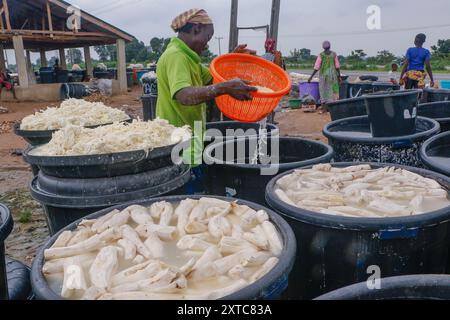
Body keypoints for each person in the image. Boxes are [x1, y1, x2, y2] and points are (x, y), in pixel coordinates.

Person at [156, 8, 257, 192]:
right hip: (179, 149)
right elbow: (184, 95)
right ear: (196, 29)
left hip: (190, 145)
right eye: (208, 38)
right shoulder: (176, 56)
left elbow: (214, 78)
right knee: (188, 202)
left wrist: (231, 58)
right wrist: (225, 88)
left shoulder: (189, 58)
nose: (207, 45)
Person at [308, 41, 342, 110]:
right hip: (333, 76)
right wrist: (339, 77)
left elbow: (316, 67)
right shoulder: (334, 54)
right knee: (333, 91)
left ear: (323, 47)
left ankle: (324, 109)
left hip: (323, 76)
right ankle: (333, 108)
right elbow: (337, 67)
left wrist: (311, 77)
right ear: (330, 46)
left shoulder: (321, 55)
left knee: (323, 91)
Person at [261, 38, 285, 124]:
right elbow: (280, 69)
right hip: (273, 82)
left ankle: (267, 120)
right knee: (273, 101)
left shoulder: (262, 57)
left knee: (266, 102)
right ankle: (271, 120)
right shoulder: (276, 56)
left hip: (264, 82)